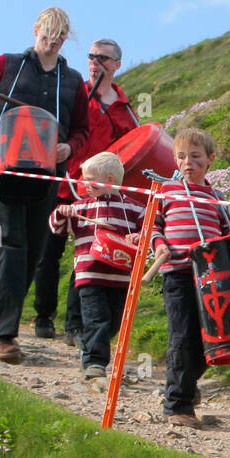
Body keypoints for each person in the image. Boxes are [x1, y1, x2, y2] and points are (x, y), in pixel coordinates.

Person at [0, 6, 90, 363]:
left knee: (35, 248)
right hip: (3, 163)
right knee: (8, 241)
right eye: (48, 31)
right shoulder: (7, 64)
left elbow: (82, 131)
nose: (53, 38)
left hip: (46, 170)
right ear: (35, 30)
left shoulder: (72, 81)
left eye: (60, 34)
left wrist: (68, 148)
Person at [34, 37, 139, 342]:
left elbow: (131, 148)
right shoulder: (73, 93)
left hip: (97, 191)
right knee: (48, 253)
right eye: (91, 56)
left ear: (116, 64)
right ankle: (43, 316)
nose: (95, 62)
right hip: (64, 180)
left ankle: (76, 326)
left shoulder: (123, 107)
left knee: (89, 254)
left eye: (103, 58)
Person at [151, 128, 230, 428]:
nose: (187, 163)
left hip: (209, 278)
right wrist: (159, 246)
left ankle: (188, 382)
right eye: (181, 157)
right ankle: (177, 405)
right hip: (177, 275)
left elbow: (227, 234)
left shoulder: (216, 197)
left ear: (210, 160)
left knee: (207, 340)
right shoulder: (166, 192)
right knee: (182, 338)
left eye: (195, 157)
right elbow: (154, 227)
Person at [47, 151, 143, 377]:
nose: (85, 184)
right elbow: (56, 227)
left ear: (109, 180)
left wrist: (139, 236)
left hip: (121, 277)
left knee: (113, 323)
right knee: (96, 318)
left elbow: (149, 230)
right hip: (89, 275)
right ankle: (94, 363)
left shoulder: (135, 209)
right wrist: (62, 213)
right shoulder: (81, 208)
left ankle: (92, 347)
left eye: (89, 180)